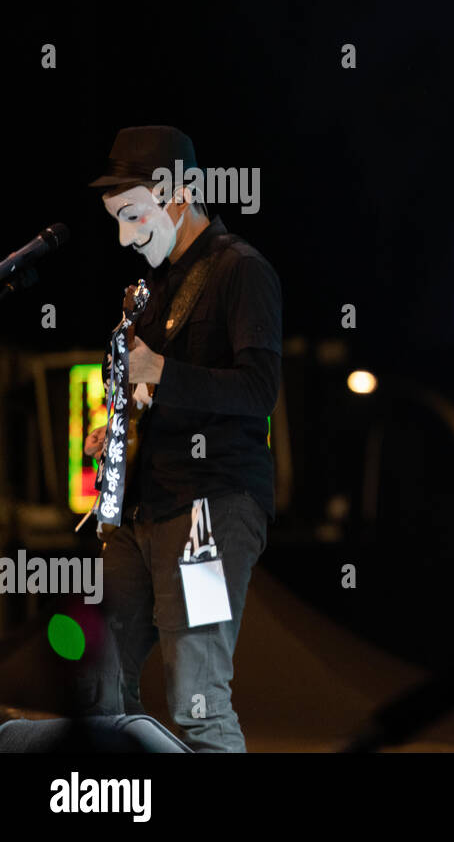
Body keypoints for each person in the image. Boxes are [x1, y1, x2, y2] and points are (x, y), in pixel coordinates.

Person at [82, 125, 281, 750]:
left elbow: (258, 391)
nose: (127, 235)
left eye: (134, 215)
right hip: (142, 507)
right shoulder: (152, 288)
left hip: (209, 510)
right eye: (117, 220)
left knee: (197, 696)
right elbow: (150, 393)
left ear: (177, 193)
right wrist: (117, 426)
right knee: (97, 684)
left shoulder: (241, 271)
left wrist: (161, 372)